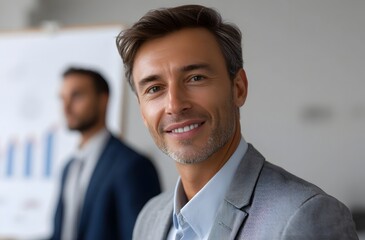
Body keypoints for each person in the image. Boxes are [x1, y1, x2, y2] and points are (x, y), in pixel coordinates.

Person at [116, 4, 358, 240]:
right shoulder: (150, 217)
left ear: (238, 88)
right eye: (155, 88)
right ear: (141, 110)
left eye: (195, 78)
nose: (175, 105)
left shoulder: (306, 216)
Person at [50, 67, 161, 240]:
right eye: (62, 98)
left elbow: (140, 236)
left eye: (76, 96)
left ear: (103, 100)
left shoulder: (132, 165)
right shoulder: (68, 167)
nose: (66, 107)